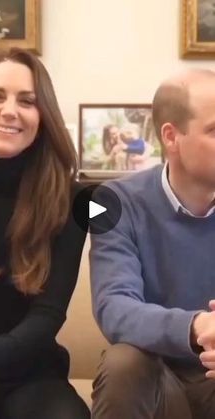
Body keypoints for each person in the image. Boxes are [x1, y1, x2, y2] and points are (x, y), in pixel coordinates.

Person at [90, 68, 215, 419]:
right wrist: (196, 326)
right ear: (171, 137)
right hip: (153, 377)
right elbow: (114, 308)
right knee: (123, 362)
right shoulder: (109, 200)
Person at [0, 47, 90, 419]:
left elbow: (47, 318)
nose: (9, 110)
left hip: (32, 372)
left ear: (43, 116)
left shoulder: (74, 201)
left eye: (27, 101)